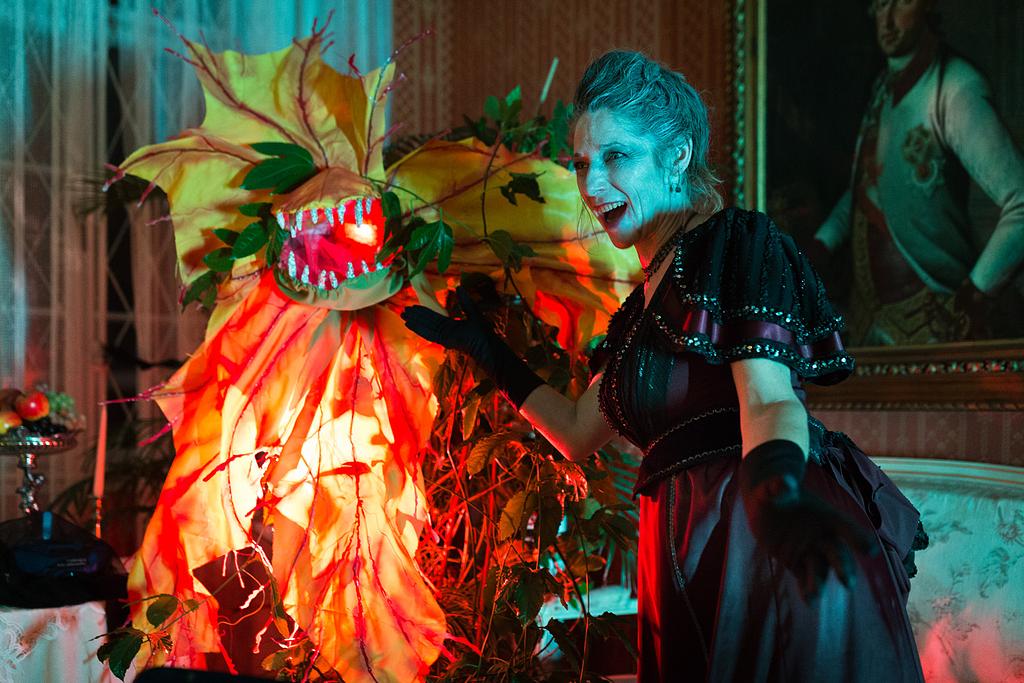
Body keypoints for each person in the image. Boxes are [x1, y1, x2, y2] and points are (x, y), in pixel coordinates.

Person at [403, 50, 925, 682]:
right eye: (582, 163)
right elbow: (575, 432)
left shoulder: (737, 240)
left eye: (616, 157)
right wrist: (488, 352)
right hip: (685, 552)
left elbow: (768, 399)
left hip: (756, 541)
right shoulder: (636, 315)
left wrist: (777, 494)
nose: (591, 185)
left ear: (678, 156)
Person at [810, 0, 1024, 344]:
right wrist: (822, 243)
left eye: (903, 2)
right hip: (866, 320)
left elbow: (1021, 200)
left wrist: (975, 294)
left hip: (931, 319)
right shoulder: (883, 86)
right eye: (881, 5)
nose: (887, 21)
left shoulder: (956, 86)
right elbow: (868, 185)